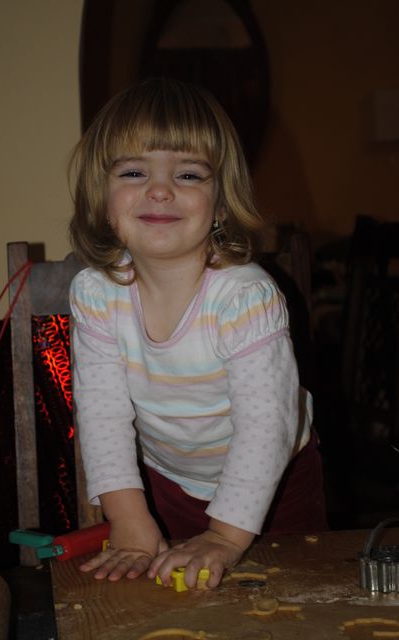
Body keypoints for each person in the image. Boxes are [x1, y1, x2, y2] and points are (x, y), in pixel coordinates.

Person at [68, 77, 327, 590]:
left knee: (289, 598)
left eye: (188, 174)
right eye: (134, 171)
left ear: (222, 202)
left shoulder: (245, 296)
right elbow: (102, 413)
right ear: (101, 196)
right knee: (179, 599)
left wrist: (226, 537)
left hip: (278, 480)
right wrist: (129, 519)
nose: (159, 189)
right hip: (168, 480)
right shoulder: (95, 294)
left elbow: (266, 426)